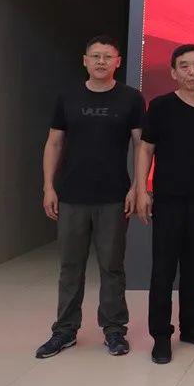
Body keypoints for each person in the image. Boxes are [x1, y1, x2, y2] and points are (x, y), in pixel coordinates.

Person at [35, 35, 145, 359]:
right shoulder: (68, 97)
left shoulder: (131, 98)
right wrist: (48, 186)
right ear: (85, 60)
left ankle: (114, 330)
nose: (101, 62)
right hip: (71, 195)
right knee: (71, 266)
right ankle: (65, 330)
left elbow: (141, 145)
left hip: (114, 196)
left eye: (107, 57)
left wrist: (137, 187)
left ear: (117, 62)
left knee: (112, 266)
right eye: (95, 56)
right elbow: (54, 143)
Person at [133, 44, 194, 364]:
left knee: (193, 267)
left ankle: (191, 327)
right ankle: (161, 335)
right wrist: (141, 190)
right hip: (168, 200)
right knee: (163, 268)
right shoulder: (160, 106)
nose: (192, 71)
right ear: (174, 72)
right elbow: (146, 149)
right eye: (185, 66)